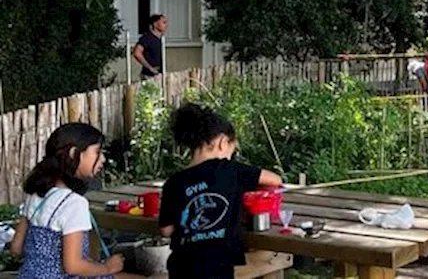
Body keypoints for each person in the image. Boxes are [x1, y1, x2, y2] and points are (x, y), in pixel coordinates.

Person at [160, 104, 282, 279]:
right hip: (218, 266)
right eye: (232, 150)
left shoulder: (174, 182)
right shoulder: (232, 170)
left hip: (182, 267)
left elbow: (166, 230)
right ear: (223, 142)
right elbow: (275, 180)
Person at [9, 122, 132, 279]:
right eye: (97, 152)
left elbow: (16, 248)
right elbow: (73, 266)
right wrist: (107, 267)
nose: (103, 159)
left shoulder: (36, 195)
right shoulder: (74, 203)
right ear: (74, 154)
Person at [131, 14, 167, 78]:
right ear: (155, 24)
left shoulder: (161, 39)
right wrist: (150, 68)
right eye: (164, 22)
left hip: (159, 74)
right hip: (149, 75)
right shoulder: (147, 38)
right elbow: (136, 53)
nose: (166, 25)